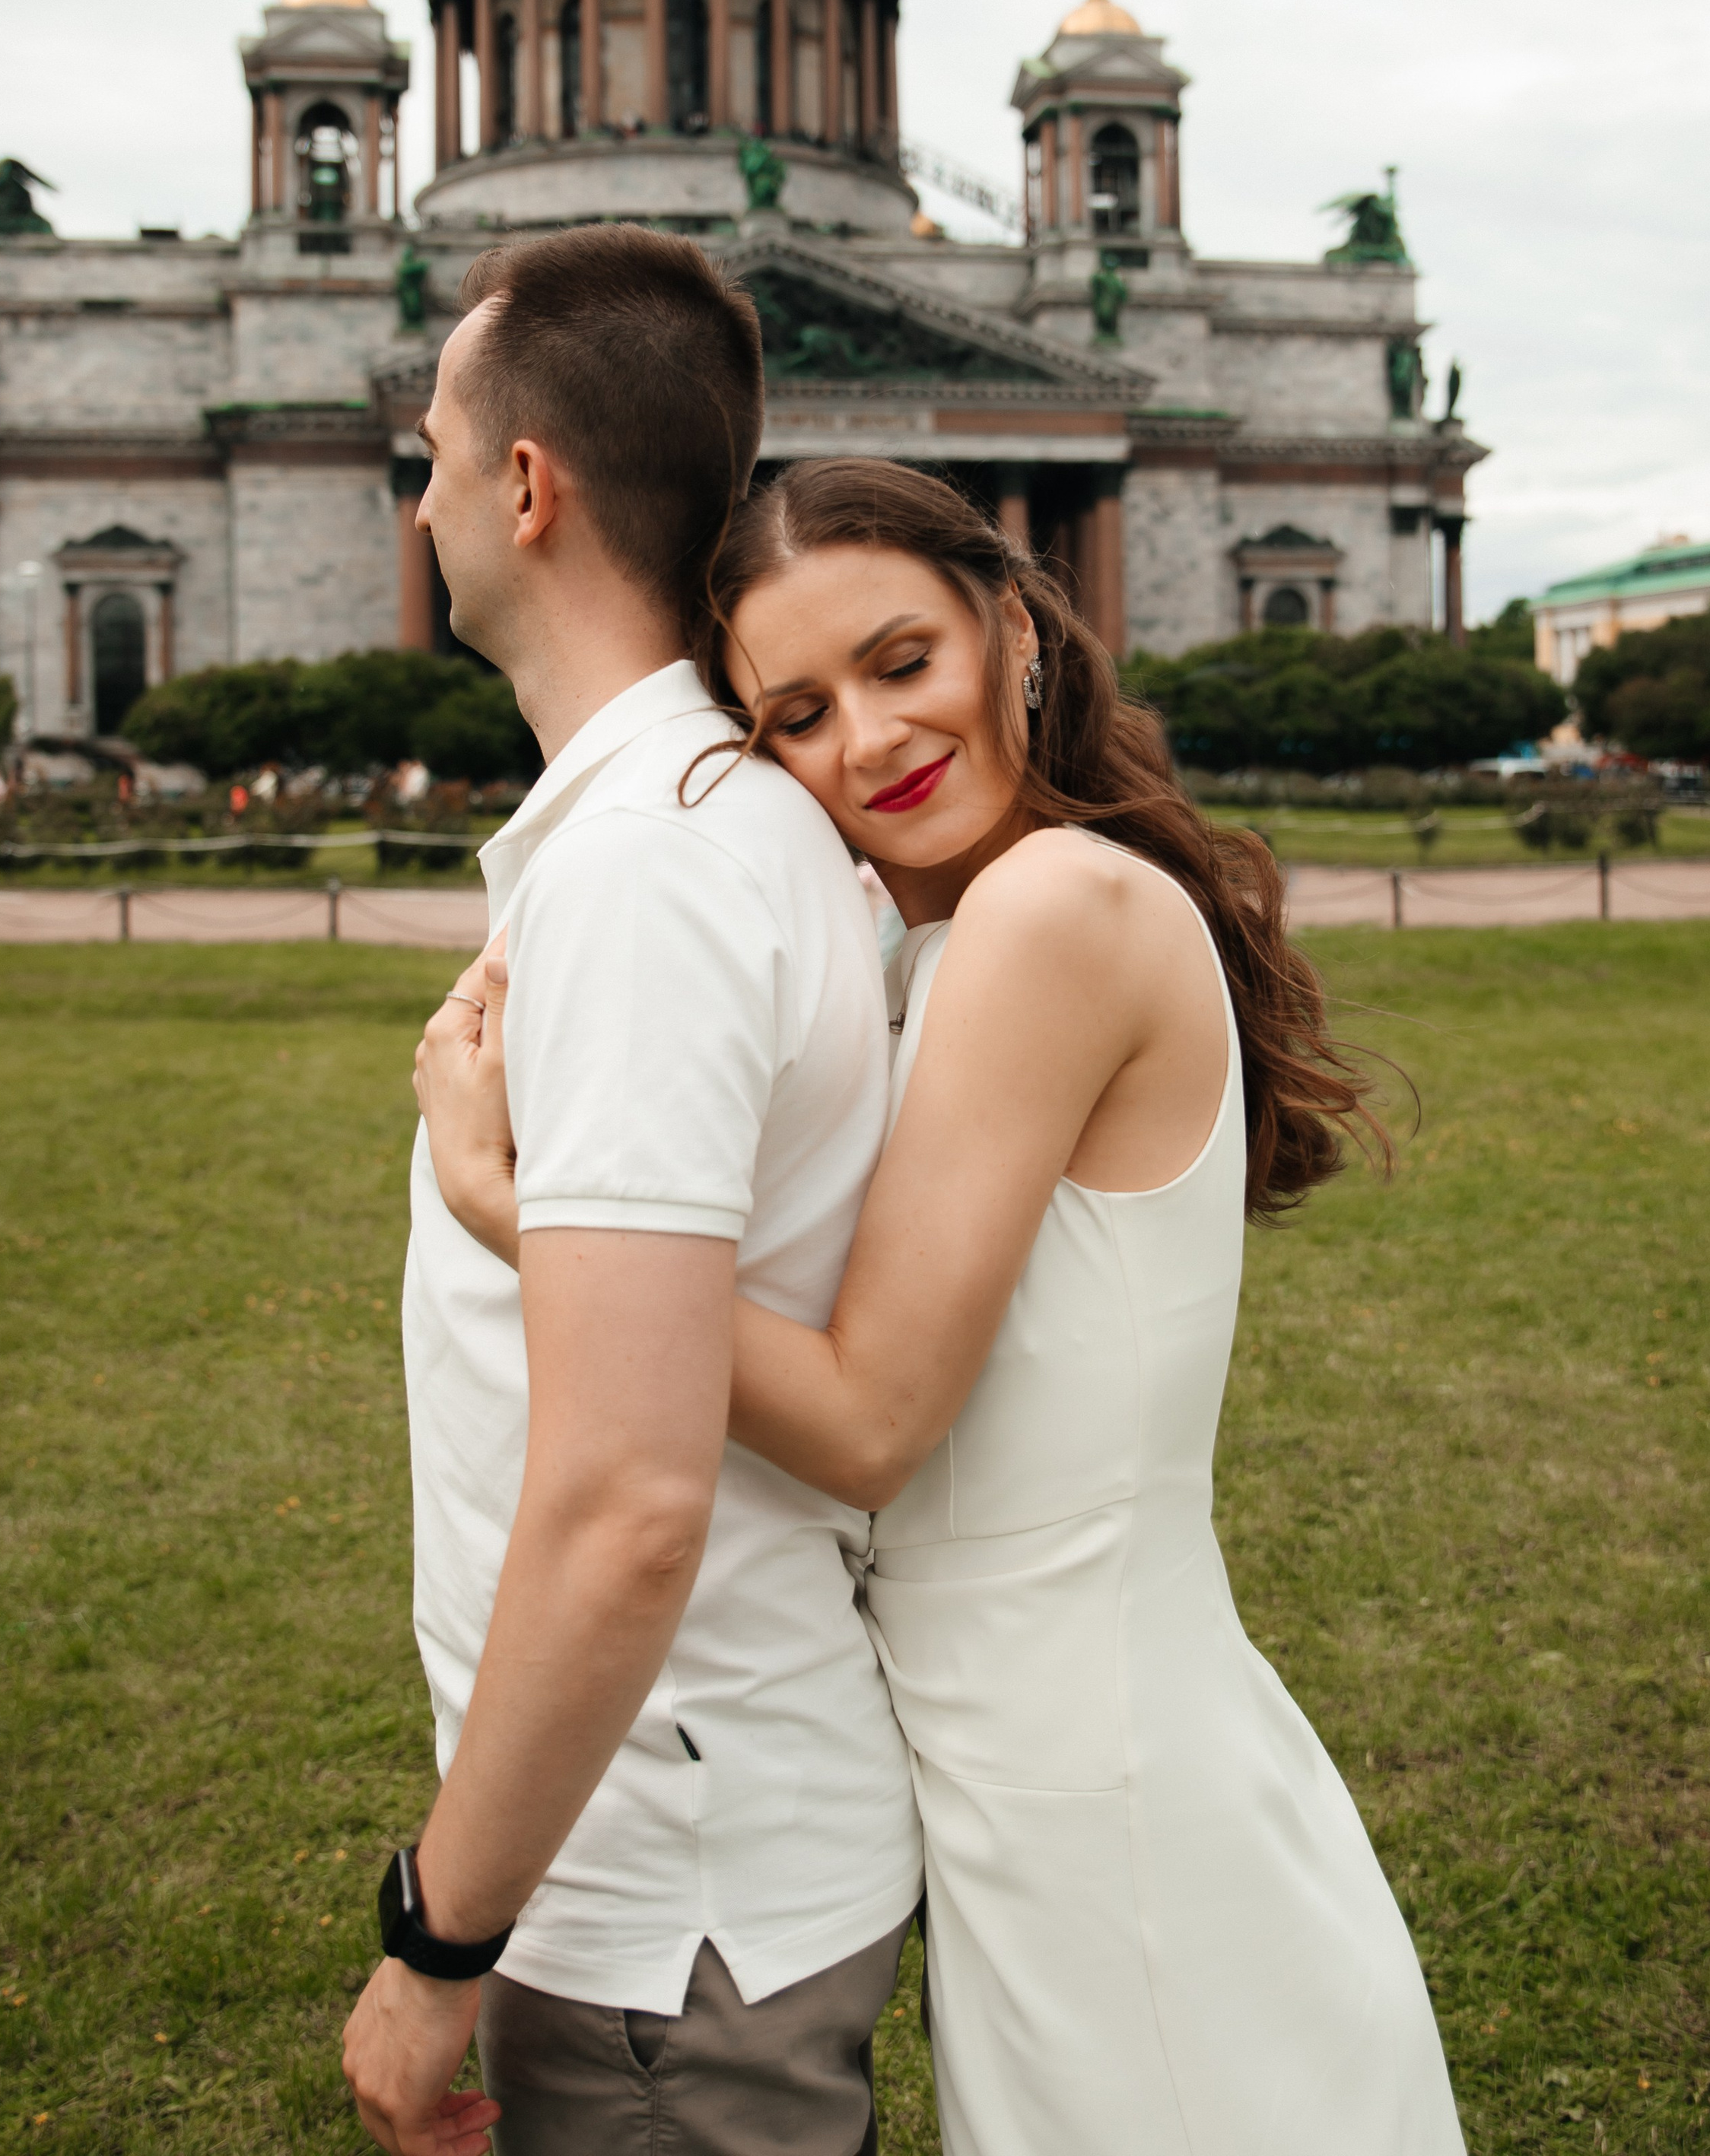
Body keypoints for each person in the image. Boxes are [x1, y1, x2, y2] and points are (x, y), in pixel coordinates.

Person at [421, 459, 1469, 2156]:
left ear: (1014, 632)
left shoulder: (1051, 910)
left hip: (1096, 1781)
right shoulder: (960, 929)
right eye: (796, 715)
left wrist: (522, 1214)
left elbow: (871, 1421)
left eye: (903, 661)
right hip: (1031, 1767)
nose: (868, 739)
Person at [342, 239, 921, 2156]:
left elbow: (626, 1505)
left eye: (433, 457)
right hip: (681, 1854)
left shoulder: (646, 873)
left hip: (666, 1902)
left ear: (524, 486)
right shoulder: (693, 827)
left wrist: (438, 1934)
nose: (417, 503)